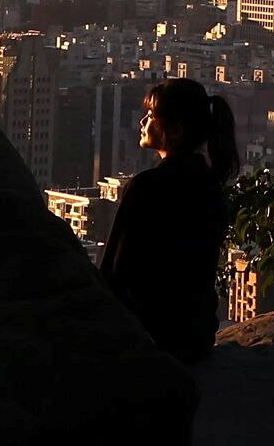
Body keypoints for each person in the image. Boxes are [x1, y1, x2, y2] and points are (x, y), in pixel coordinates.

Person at [100, 78, 238, 365]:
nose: (143, 122)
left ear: (175, 130)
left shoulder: (147, 186)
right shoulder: (209, 186)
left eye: (151, 116)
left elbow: (114, 271)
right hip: (195, 336)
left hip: (151, 335)